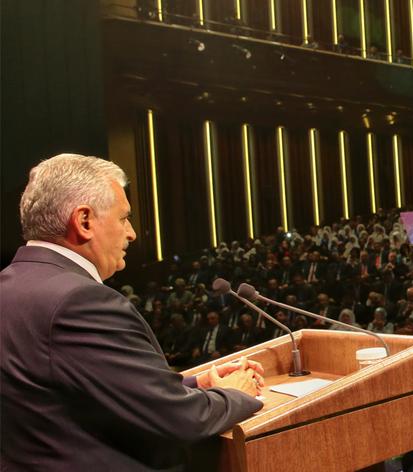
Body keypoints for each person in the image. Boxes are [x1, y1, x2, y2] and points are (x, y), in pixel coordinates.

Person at [1, 154, 264, 470]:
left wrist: (194, 385)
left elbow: (75, 394)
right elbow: (179, 421)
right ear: (84, 221)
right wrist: (235, 393)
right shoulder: (80, 300)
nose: (132, 233)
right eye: (124, 218)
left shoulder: (10, 287)